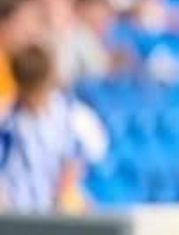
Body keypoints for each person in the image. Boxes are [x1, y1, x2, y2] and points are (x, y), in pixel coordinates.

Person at [0, 44, 107, 214]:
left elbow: (91, 158)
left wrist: (69, 181)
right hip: (15, 212)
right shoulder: (6, 118)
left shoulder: (74, 117)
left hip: (60, 214)